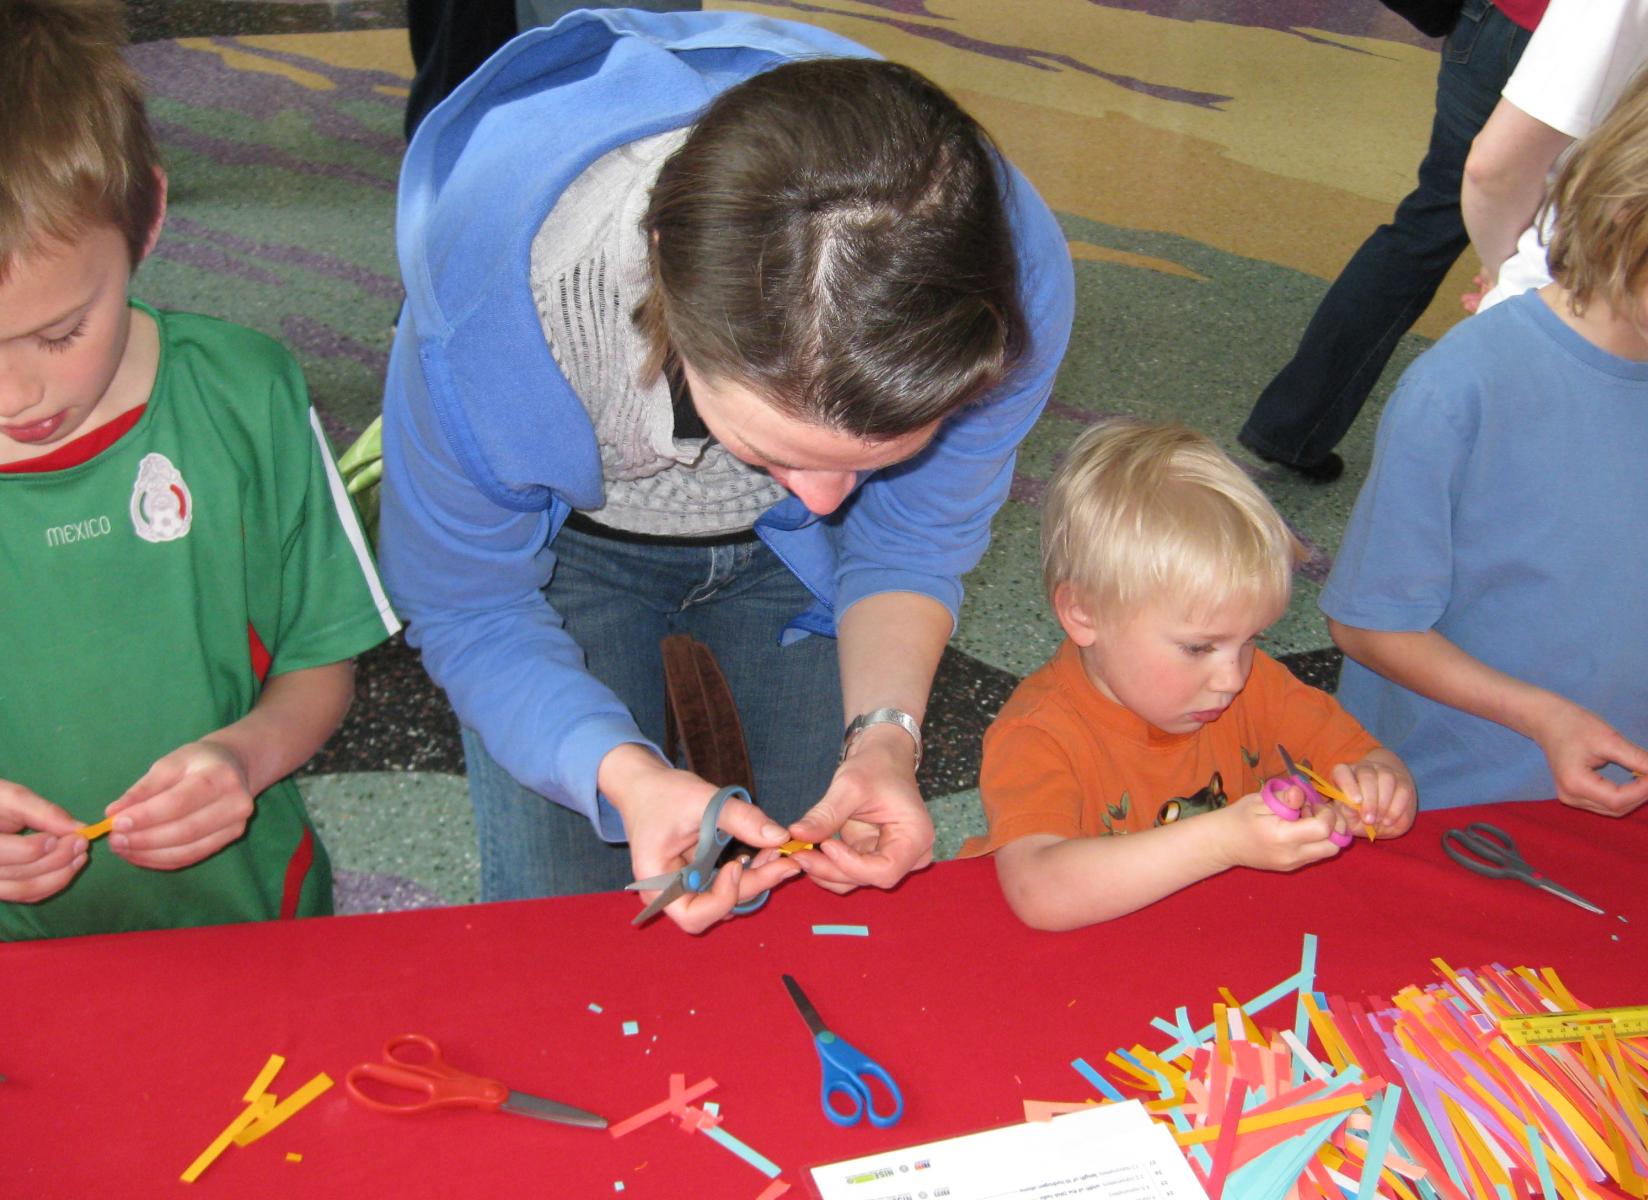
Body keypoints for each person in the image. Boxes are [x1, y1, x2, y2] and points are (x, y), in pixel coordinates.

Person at [379, 8, 1075, 933]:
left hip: (780, 581)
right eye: (777, 450)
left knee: (804, 888)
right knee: (563, 920)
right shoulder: (497, 305)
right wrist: (624, 775)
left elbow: (908, 542)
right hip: (565, 551)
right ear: (663, 283)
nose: (827, 503)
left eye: (881, 456)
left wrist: (885, 738)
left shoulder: (1003, 285)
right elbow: (471, 606)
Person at [1324, 3, 1648, 819]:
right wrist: (1541, 718)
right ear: (1629, 204)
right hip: (1420, 810)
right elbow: (1369, 628)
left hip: (1602, 821)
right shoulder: (1465, 388)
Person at [0, 0, 399, 939]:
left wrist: (244, 757)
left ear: (147, 220)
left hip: (249, 920)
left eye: (61, 332)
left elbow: (316, 663)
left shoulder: (245, 395)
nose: (17, 394)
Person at [958, 422, 1416, 931]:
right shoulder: (1038, 733)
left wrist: (1382, 787)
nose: (1231, 678)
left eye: (1251, 640)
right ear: (1083, 613)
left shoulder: (1255, 684)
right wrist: (1222, 841)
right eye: (1199, 647)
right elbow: (1040, 893)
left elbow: (1367, 758)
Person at [1237, 0, 1544, 482]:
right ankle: (1515, 475)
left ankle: (1291, 425)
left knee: (1423, 228)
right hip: (1575, 46)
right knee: (1562, 252)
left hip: (1491, 23)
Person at [1462, 0, 1648, 335]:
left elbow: (1495, 170)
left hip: (1571, 301)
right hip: (1571, 305)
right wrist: (1508, 267)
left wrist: (1505, 267)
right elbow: (1496, 169)